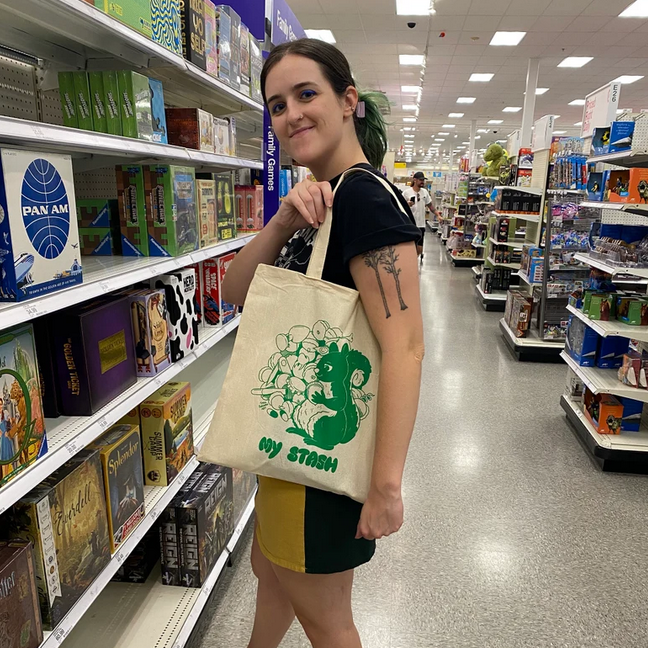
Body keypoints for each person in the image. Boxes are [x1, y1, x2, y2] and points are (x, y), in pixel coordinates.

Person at [221, 38, 424, 648]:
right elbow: (234, 291)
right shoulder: (324, 200)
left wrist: (387, 485)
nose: (291, 114)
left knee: (328, 624)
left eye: (306, 94)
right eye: (277, 104)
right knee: (272, 577)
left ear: (348, 101)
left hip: (319, 456)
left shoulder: (362, 199)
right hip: (290, 444)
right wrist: (283, 219)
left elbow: (406, 347)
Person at [402, 172, 433, 260]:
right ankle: (410, 263)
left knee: (419, 248)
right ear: (414, 180)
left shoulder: (425, 192)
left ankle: (414, 261)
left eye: (423, 180)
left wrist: (437, 214)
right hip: (410, 224)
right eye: (421, 180)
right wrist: (407, 204)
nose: (422, 182)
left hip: (421, 225)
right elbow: (400, 206)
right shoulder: (406, 193)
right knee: (409, 247)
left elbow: (430, 205)